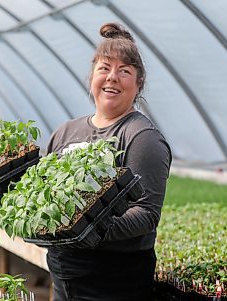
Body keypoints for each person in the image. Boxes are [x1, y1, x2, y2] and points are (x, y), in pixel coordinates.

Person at [46, 23, 172, 301]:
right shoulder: (66, 132)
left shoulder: (141, 137)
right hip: (64, 272)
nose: (112, 77)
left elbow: (146, 213)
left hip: (115, 280)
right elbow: (45, 198)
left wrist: (88, 229)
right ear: (92, 76)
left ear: (139, 84)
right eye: (104, 68)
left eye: (124, 71)